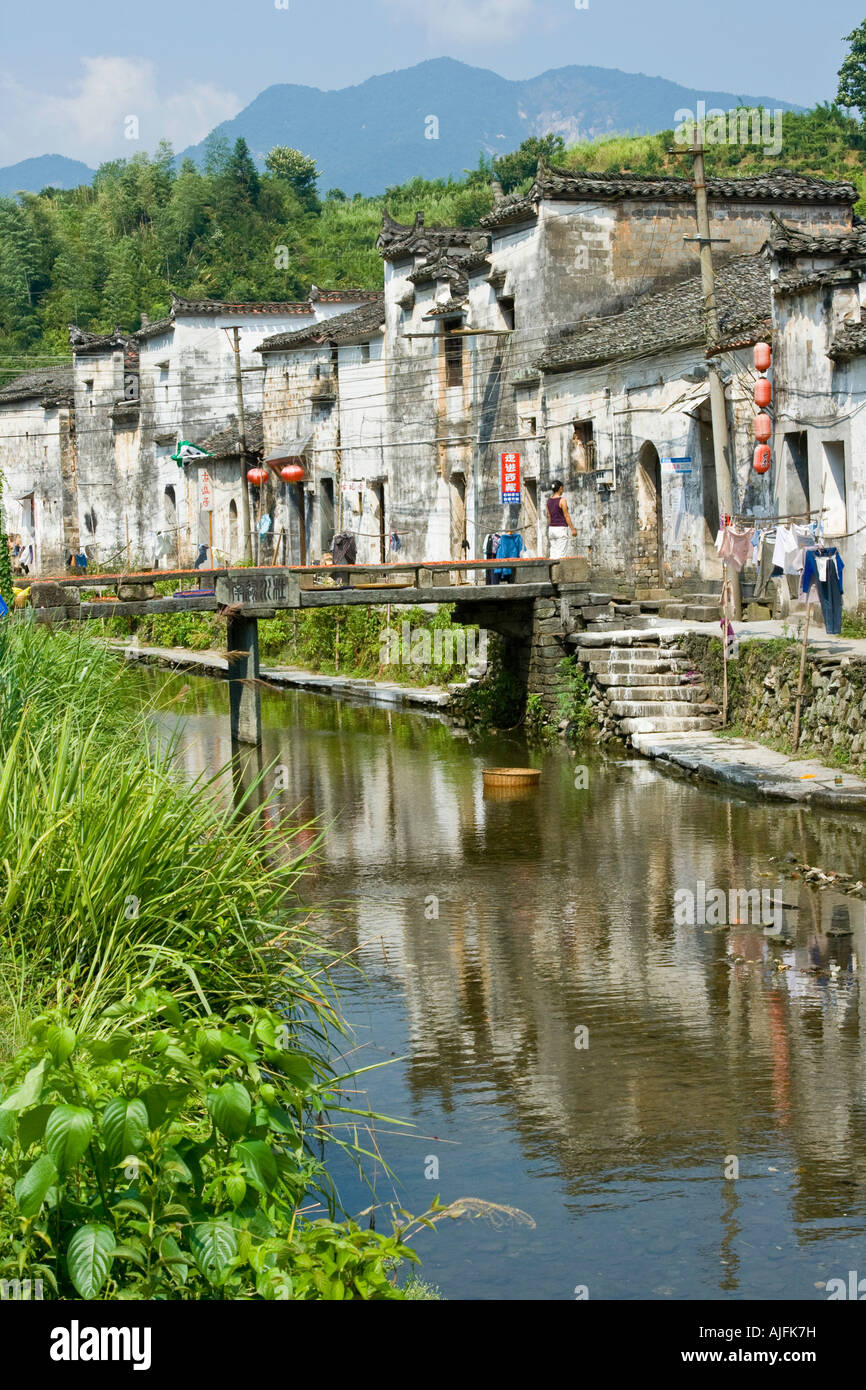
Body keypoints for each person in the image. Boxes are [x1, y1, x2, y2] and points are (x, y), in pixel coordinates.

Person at [546, 481, 577, 559]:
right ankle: (559, 571)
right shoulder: (562, 500)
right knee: (561, 555)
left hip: (551, 529)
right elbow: (566, 515)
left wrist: (551, 527)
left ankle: (552, 571)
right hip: (560, 529)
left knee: (553, 553)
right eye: (562, 488)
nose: (562, 490)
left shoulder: (548, 501)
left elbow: (548, 516)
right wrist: (572, 529)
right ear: (560, 488)